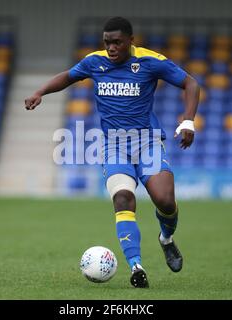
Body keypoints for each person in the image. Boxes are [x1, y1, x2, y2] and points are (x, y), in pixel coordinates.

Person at [24, 16, 200, 288]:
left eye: (117, 42)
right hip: (113, 145)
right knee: (123, 199)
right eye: (107, 43)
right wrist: (40, 91)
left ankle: (166, 239)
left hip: (148, 143)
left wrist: (188, 120)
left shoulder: (150, 61)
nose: (111, 48)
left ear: (131, 40)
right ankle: (136, 266)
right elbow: (67, 77)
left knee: (164, 201)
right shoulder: (95, 62)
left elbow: (191, 83)